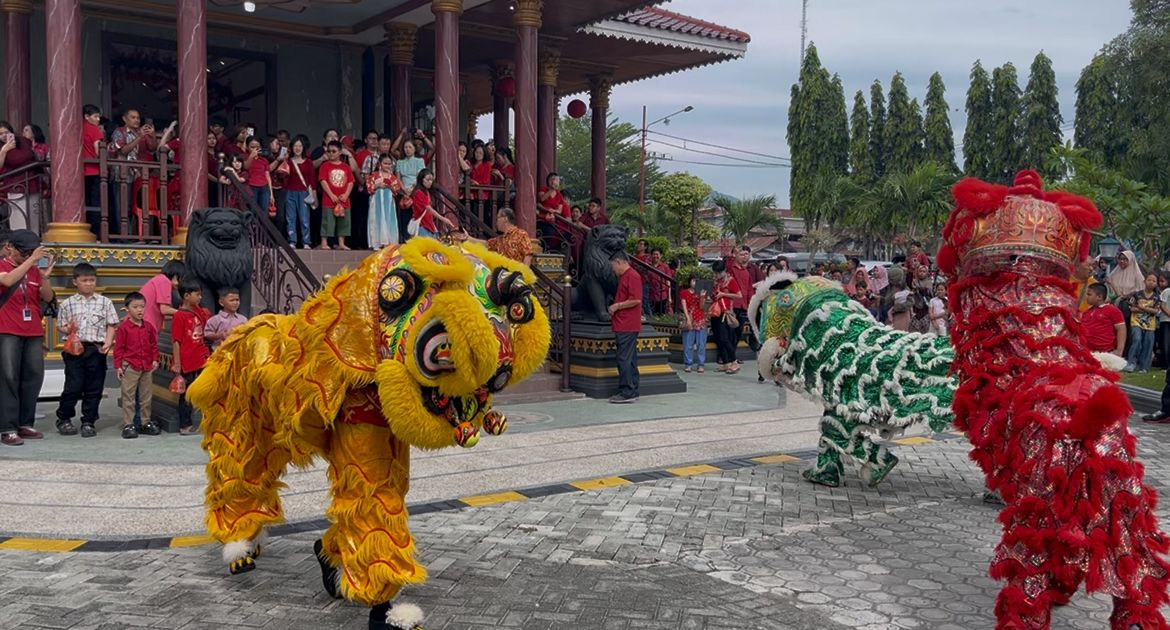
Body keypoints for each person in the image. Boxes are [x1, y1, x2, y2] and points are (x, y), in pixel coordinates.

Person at [53, 262, 120, 438]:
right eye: (85, 280)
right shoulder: (67, 303)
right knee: (73, 386)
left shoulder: (104, 302)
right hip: (74, 350)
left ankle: (89, 421)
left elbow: (112, 324)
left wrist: (108, 342)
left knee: (94, 387)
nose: (89, 284)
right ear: (75, 281)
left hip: (96, 349)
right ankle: (64, 418)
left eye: (92, 280)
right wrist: (68, 329)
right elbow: (60, 326)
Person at [0, 230, 54, 446]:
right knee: (8, 377)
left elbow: (47, 297)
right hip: (7, 329)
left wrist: (44, 275)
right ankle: (7, 427)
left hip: (32, 330)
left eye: (31, 253)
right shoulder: (4, 266)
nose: (28, 257)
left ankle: (25, 423)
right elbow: (8, 281)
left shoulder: (33, 271)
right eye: (25, 253)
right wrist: (31, 260)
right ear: (10, 247)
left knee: (33, 376)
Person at [113, 292, 161, 439]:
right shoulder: (124, 328)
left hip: (146, 365)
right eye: (135, 307)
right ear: (127, 309)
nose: (139, 310)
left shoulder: (149, 327)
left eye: (142, 307)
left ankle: (145, 422)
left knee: (146, 396)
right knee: (128, 396)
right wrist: (119, 366)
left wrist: (155, 359)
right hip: (130, 366)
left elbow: (154, 345)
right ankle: (129, 424)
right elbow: (119, 348)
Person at [171, 280, 210, 435]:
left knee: (203, 391)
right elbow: (176, 341)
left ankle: (205, 421)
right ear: (186, 296)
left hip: (201, 358)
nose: (200, 297)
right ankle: (185, 424)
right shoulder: (179, 316)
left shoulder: (199, 312)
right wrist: (178, 363)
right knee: (186, 395)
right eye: (197, 294)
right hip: (187, 360)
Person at [608, 252, 642, 404]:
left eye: (613, 266)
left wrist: (617, 306)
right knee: (630, 358)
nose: (613, 269)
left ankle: (627, 391)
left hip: (627, 324)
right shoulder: (626, 276)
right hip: (625, 324)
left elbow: (636, 300)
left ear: (619, 262)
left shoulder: (632, 276)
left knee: (624, 358)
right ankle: (632, 389)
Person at [0, 120, 42, 231]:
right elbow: (15, 160)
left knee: (33, 221)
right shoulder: (3, 147)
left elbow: (27, 155)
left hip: (31, 183)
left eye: (6, 132)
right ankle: (20, 246)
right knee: (18, 222)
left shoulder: (22, 141)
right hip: (14, 186)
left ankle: (33, 243)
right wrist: (4, 151)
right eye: (0, 134)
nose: (4, 136)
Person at [459, 208, 532, 266]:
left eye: (498, 218)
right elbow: (486, 244)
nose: (496, 222)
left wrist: (523, 274)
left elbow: (528, 254)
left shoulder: (521, 234)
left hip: (516, 275)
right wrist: (469, 238)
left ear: (505, 219)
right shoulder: (501, 239)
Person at [317, 140, 356, 250]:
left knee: (343, 222)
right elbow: (323, 181)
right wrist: (331, 194)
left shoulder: (345, 167)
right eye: (329, 151)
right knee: (327, 221)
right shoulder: (324, 166)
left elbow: (351, 182)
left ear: (340, 152)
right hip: (329, 199)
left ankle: (341, 243)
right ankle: (324, 242)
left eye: (334, 151)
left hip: (343, 200)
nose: (331, 154)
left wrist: (346, 194)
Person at [709, 259, 743, 374]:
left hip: (726, 311)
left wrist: (724, 294)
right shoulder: (716, 282)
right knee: (718, 338)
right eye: (715, 272)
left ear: (724, 271)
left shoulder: (730, 281)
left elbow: (739, 295)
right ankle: (725, 363)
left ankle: (734, 361)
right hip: (716, 311)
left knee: (724, 338)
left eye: (719, 272)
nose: (717, 275)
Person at [1124, 273, 1161, 372]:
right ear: (1144, 281)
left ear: (1156, 284)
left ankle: (1144, 366)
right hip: (1136, 321)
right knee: (1137, 339)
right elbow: (1132, 308)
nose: (1151, 282)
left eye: (1154, 281)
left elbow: (1156, 311)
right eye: (1149, 280)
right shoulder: (1137, 294)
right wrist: (1146, 309)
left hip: (1150, 324)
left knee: (1148, 343)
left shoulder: (1157, 297)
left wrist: (1141, 307)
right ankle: (1131, 363)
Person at [284, 135, 315, 249]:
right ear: (292, 147)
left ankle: (306, 242)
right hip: (290, 191)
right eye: (295, 146)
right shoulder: (288, 161)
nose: (297, 148)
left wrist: (314, 195)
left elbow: (312, 180)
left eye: (300, 146)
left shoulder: (309, 162)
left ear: (303, 148)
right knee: (290, 218)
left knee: (304, 218)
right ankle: (292, 241)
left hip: (304, 192)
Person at [405, 169, 455, 239]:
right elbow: (428, 208)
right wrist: (443, 219)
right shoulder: (419, 192)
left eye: (431, 180)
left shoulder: (426, 192)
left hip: (428, 222)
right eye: (427, 180)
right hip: (422, 224)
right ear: (421, 179)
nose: (430, 182)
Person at [366, 155, 403, 249]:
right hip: (376, 202)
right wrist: (377, 185)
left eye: (389, 164)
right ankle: (376, 243)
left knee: (389, 220)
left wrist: (389, 185)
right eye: (385, 163)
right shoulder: (374, 176)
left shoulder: (393, 177)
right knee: (376, 220)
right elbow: (369, 188)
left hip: (389, 203)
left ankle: (390, 242)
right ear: (379, 164)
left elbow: (396, 189)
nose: (387, 165)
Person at [140, 259, 184, 336]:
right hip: (145, 328)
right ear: (175, 275)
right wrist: (185, 313)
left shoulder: (159, 279)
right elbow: (164, 310)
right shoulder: (164, 281)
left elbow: (160, 312)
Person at [1081, 283, 1126, 356]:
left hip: (1105, 353)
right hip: (1087, 352)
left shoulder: (1113, 310)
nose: (1086, 297)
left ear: (1099, 297)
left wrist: (1119, 350)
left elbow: (1121, 329)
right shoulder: (1086, 312)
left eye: (1089, 294)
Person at [82, 104, 106, 233]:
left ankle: (83, 229)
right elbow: (98, 151)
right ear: (86, 117)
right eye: (95, 116)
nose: (98, 120)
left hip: (81, 171)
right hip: (94, 170)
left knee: (84, 202)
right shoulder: (94, 129)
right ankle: (95, 232)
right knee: (96, 203)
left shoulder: (78, 129)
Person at [203, 287, 248, 352]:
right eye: (231, 300)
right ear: (221, 302)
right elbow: (207, 335)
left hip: (238, 353)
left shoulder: (243, 319)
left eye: (237, 300)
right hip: (220, 354)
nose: (235, 303)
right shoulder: (215, 319)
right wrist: (219, 335)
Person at [679, 273, 707, 373]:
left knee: (701, 344)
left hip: (700, 319)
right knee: (688, 344)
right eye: (693, 280)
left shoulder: (702, 292)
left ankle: (700, 364)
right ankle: (688, 364)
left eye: (697, 281)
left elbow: (702, 307)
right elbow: (684, 306)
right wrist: (688, 319)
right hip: (690, 318)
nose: (695, 283)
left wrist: (703, 297)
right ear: (690, 281)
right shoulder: (684, 292)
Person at [537, 172, 571, 250]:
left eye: (557, 180)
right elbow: (542, 199)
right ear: (549, 181)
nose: (555, 182)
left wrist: (553, 211)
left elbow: (559, 210)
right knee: (539, 235)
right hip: (541, 218)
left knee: (549, 237)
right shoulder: (543, 189)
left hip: (551, 220)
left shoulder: (559, 194)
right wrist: (551, 190)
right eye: (553, 180)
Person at [243, 136, 273, 214]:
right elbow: (246, 167)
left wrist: (271, 193)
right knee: (253, 210)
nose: (255, 149)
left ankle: (263, 226)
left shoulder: (264, 160)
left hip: (264, 187)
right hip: (251, 186)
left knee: (264, 210)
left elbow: (267, 176)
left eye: (257, 147)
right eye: (252, 147)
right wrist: (251, 156)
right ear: (247, 147)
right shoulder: (244, 157)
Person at [648, 248, 672, 315]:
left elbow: (668, 282)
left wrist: (669, 297)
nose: (655, 256)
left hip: (662, 296)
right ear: (651, 255)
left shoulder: (665, 267)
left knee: (661, 316)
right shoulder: (648, 266)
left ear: (661, 255)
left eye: (657, 254)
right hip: (651, 296)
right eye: (654, 254)